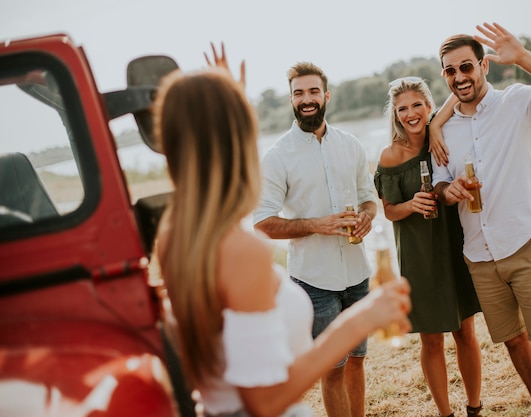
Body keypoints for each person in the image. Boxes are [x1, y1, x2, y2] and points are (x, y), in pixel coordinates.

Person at [154, 44, 412, 417]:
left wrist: (226, 101)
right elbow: (264, 402)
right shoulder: (243, 249)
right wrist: (361, 319)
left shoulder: (174, 230)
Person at [431, 23, 531, 417]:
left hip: (525, 241)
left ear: (483, 67)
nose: (459, 76)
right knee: (514, 342)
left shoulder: (517, 103)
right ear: (443, 75)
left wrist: (524, 56)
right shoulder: (442, 129)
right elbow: (441, 186)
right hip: (479, 255)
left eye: (466, 67)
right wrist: (450, 192)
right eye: (450, 70)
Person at [252, 61, 377, 417]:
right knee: (331, 369)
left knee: (357, 360)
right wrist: (317, 225)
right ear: (291, 100)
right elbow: (263, 223)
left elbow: (368, 196)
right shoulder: (277, 156)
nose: (306, 99)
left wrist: (368, 215)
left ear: (326, 96)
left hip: (358, 275)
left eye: (312, 92)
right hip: (314, 283)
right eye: (298, 93)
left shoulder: (351, 145)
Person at [374, 77, 482, 417]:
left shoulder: (444, 139)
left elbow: (458, 95)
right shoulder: (390, 156)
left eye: (417, 105)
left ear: (429, 105)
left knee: (465, 330)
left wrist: (437, 124)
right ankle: (445, 414)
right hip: (418, 254)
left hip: (454, 243)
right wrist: (411, 205)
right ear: (395, 114)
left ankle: (475, 408)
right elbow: (389, 210)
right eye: (402, 108)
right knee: (432, 339)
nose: (410, 114)